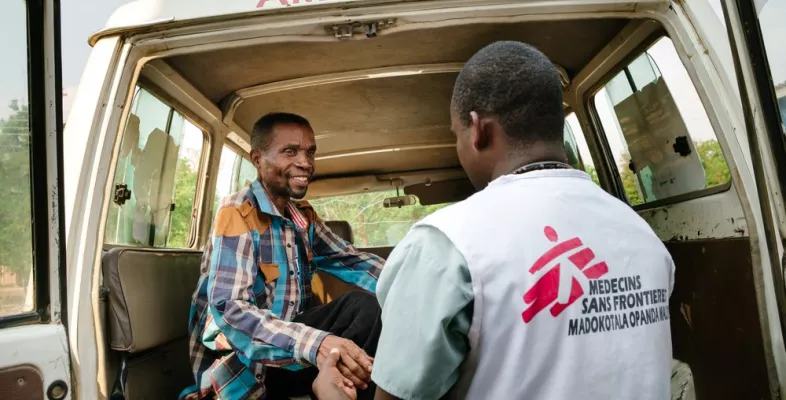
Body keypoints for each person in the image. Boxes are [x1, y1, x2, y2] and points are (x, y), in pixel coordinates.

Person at [313, 40, 675, 400]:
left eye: (457, 135)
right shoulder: (642, 235)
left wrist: (330, 395)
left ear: (478, 129)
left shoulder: (447, 244)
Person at [181, 112, 385, 400]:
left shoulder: (302, 218)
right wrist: (318, 344)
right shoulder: (237, 213)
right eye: (290, 151)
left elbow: (352, 260)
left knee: (364, 306)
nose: (305, 162)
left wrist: (412, 288)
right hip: (247, 366)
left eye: (309, 152)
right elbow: (231, 310)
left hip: (290, 355)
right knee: (355, 319)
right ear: (257, 159)